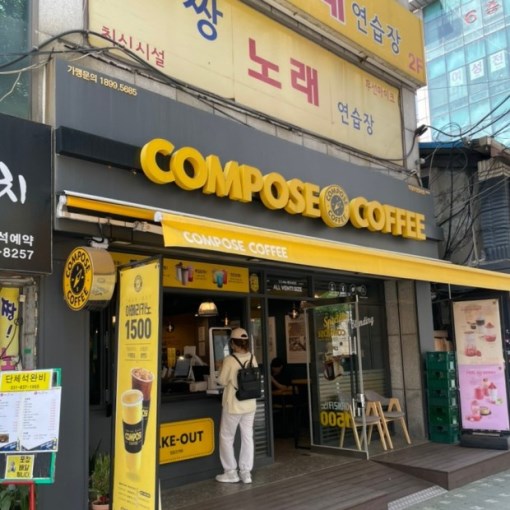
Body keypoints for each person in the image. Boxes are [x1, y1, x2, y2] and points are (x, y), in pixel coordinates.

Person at [215, 327, 257, 484]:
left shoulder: (229, 360)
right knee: (247, 437)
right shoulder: (252, 357)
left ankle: (230, 472)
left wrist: (221, 367)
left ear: (233, 343)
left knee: (227, 437)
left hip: (234, 404)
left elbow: (222, 381)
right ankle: (246, 473)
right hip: (250, 404)